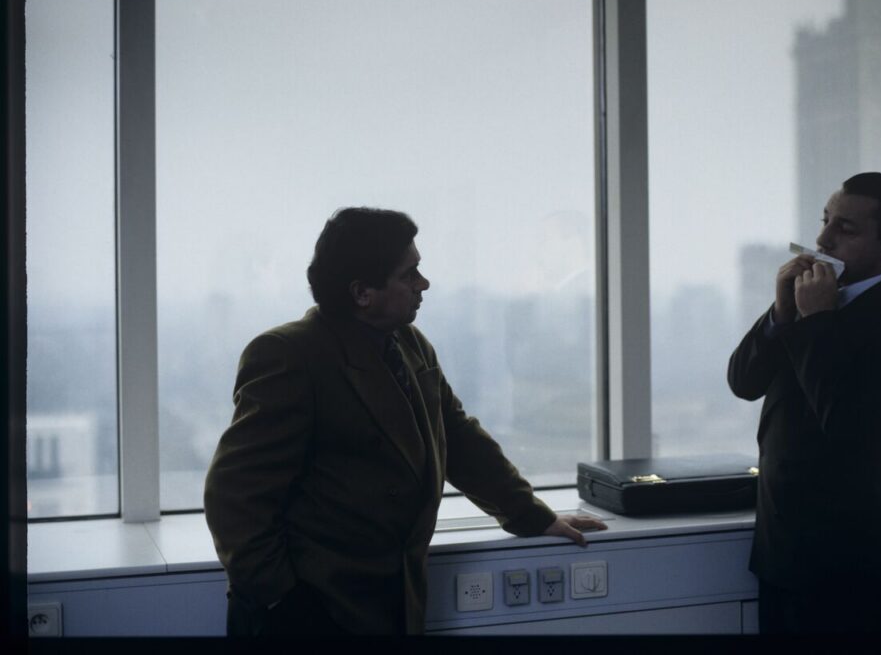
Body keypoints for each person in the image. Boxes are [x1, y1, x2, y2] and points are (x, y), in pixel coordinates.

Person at [204, 207, 606, 636]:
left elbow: (458, 437)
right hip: (311, 610)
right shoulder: (289, 356)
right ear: (363, 293)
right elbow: (234, 497)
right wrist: (282, 599)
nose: (423, 284)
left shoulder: (409, 343)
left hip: (389, 602)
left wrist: (532, 515)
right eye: (409, 274)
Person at [727, 172, 881, 634]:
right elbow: (743, 382)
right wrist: (781, 315)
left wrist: (814, 323)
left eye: (845, 229)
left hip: (848, 565)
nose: (822, 239)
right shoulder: (807, 303)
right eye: (825, 221)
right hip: (780, 553)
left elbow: (851, 431)